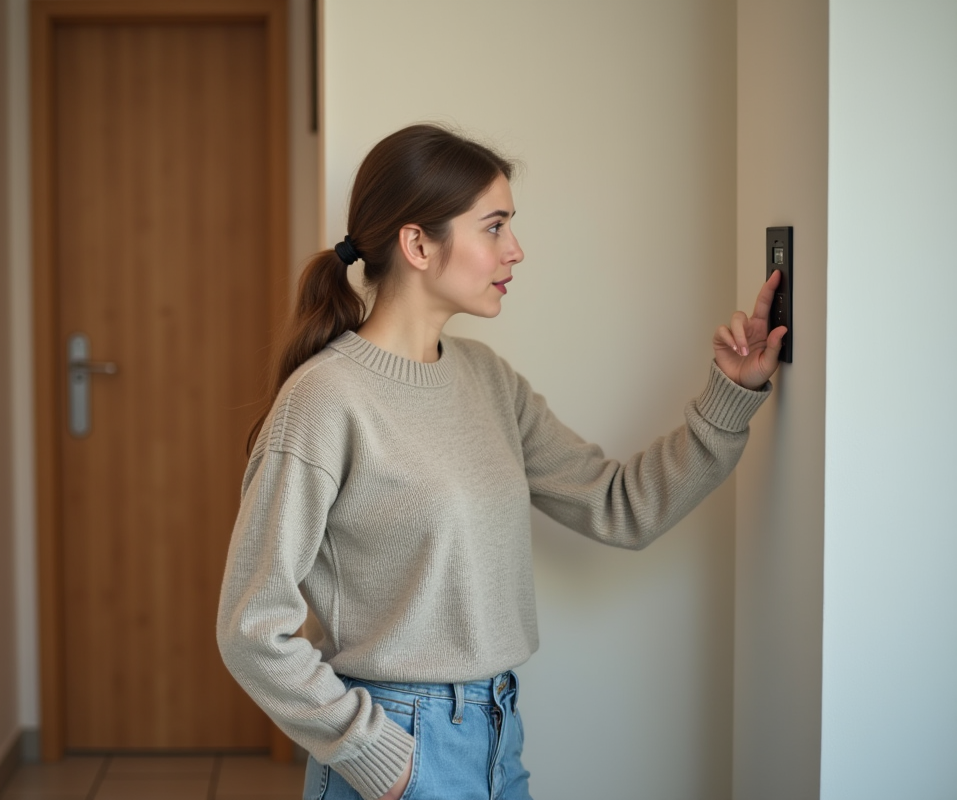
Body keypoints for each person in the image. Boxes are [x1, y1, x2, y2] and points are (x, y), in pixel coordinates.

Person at [216, 124, 785, 800]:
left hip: (498, 735)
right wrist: (377, 756)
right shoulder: (324, 399)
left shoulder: (487, 378)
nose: (515, 249)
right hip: (397, 743)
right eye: (494, 227)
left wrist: (731, 395)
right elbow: (252, 627)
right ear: (418, 244)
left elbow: (621, 506)